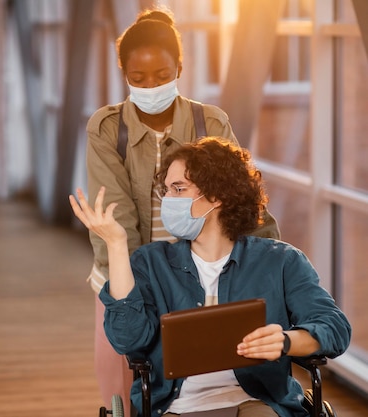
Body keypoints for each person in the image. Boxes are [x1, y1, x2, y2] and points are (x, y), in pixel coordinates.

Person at [84, 7, 280, 414]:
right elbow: (116, 219)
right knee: (136, 387)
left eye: (161, 76)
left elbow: (237, 193)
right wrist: (140, 291)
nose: (150, 86)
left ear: (180, 68)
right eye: (137, 79)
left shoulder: (210, 121)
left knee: (210, 382)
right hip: (130, 278)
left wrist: (273, 264)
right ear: (123, 73)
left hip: (205, 273)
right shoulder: (107, 128)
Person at [70, 137, 351, 417]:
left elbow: (335, 328)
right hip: (177, 407)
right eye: (166, 190)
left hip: (258, 402)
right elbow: (128, 340)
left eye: (179, 189)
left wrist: (286, 341)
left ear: (217, 196)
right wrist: (117, 246)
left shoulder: (281, 261)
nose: (168, 200)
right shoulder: (151, 263)